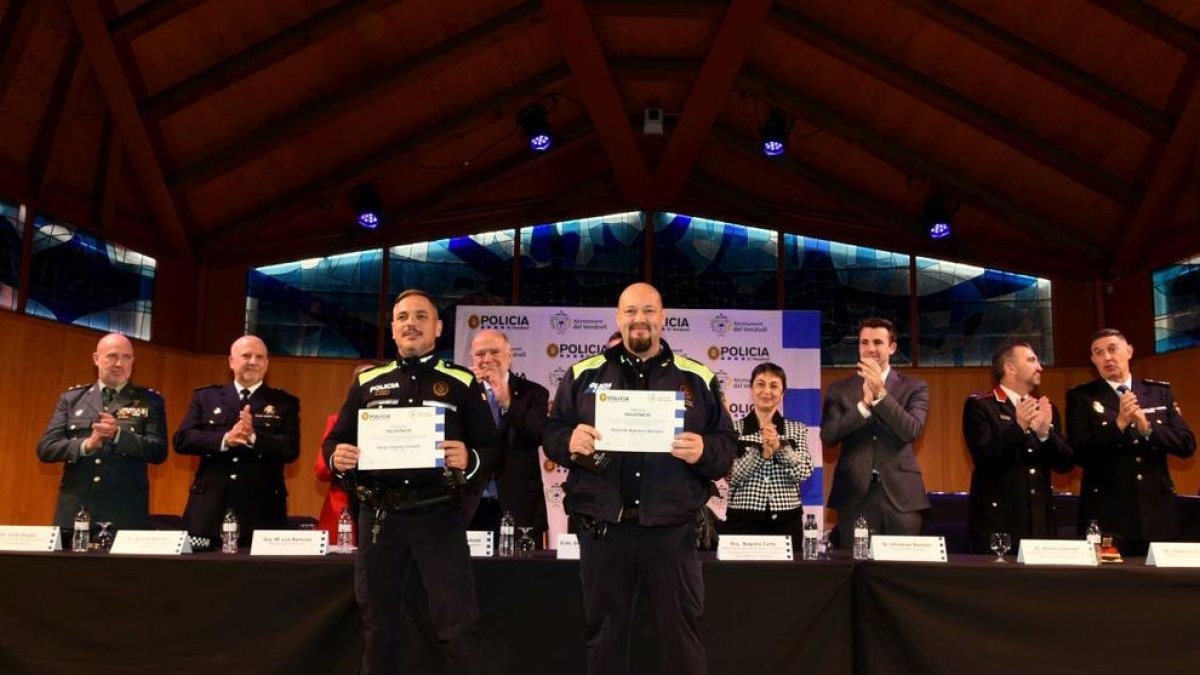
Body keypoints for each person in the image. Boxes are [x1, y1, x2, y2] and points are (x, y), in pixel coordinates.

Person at [543, 282, 735, 675]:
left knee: (680, 635)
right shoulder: (583, 374)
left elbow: (726, 446)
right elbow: (552, 433)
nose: (639, 319)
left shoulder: (697, 377)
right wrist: (568, 440)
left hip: (672, 530)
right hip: (603, 529)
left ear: (663, 318)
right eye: (630, 311)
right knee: (605, 635)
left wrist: (704, 451)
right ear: (618, 318)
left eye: (648, 311)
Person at [324, 289, 499, 675]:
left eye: (421, 316)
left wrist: (469, 459)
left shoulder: (461, 380)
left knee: (457, 624)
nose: (411, 323)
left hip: (439, 515)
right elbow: (335, 441)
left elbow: (491, 446)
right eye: (402, 317)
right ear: (392, 328)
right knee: (378, 624)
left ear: (437, 327)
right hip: (380, 518)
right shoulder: (368, 381)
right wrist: (336, 457)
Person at [1066, 328, 1195, 556]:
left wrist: (1149, 430)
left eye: (1112, 349)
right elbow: (1080, 453)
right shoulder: (1081, 397)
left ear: (1129, 351)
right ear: (1093, 360)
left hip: (1156, 510)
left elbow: (1186, 444)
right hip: (1108, 511)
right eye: (1098, 353)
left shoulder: (1158, 392)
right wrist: (1119, 425)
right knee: (1112, 586)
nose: (1107, 357)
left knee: (1162, 587)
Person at [174, 335, 300, 548]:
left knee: (258, 578)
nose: (253, 361)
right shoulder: (206, 397)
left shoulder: (284, 402)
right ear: (231, 362)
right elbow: (182, 439)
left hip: (262, 510)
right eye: (246, 355)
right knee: (199, 575)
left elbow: (291, 449)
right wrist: (225, 439)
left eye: (259, 357)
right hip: (209, 510)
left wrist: (253, 437)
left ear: (267, 364)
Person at [36, 332, 167, 531]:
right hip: (76, 508)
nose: (119, 363)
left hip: (124, 511)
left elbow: (158, 451)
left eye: (126, 357)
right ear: (96, 359)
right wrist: (86, 445)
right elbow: (46, 448)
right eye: (112, 356)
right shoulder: (72, 399)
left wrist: (118, 435)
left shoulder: (150, 401)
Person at [821, 317, 929, 548]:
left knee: (902, 571)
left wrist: (881, 395)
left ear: (892, 347)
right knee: (857, 570)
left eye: (878, 342)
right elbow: (829, 436)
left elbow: (911, 430)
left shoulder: (915, 386)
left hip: (902, 497)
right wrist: (863, 407)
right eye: (864, 342)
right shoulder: (839, 389)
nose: (870, 349)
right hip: (854, 494)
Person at [963, 343, 1073, 553]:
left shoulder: (1045, 408)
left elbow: (1065, 464)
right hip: (1000, 523)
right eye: (1031, 360)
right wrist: (1019, 427)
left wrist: (1044, 435)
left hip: (1040, 521)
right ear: (1010, 368)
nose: (1040, 367)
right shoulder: (981, 405)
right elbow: (985, 457)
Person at [468, 329, 550, 547]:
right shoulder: (463, 393)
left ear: (510, 355)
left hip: (519, 506)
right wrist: (466, 388)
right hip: (470, 505)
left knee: (521, 578)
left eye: (495, 352)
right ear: (472, 358)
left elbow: (538, 434)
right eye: (480, 354)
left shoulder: (534, 393)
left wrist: (507, 403)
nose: (487, 359)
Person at [724, 362, 813, 547]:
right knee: (739, 576)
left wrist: (780, 447)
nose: (767, 391)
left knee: (785, 576)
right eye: (760, 384)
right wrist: (761, 454)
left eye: (774, 386)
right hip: (742, 521)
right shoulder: (733, 430)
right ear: (751, 389)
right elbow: (730, 476)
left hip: (786, 521)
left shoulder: (797, 429)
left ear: (782, 393)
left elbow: (804, 472)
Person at [315, 363, 380, 547]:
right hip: (343, 510)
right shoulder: (337, 421)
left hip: (385, 508)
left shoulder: (397, 422)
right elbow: (321, 470)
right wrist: (339, 460)